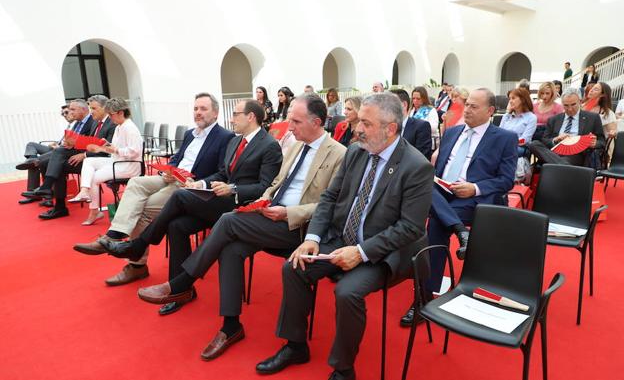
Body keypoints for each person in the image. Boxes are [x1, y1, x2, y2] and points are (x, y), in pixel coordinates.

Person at [101, 94, 346, 362]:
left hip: (298, 226)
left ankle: (181, 282)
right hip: (268, 214)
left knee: (227, 220)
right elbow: (275, 182)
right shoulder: (296, 147)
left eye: (296, 121)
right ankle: (231, 327)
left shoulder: (339, 154)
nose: (290, 127)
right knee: (230, 250)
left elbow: (330, 206)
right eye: (290, 120)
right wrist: (263, 202)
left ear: (317, 122)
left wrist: (288, 212)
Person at [256, 92, 433, 380]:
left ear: (390, 129)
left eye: (366, 122)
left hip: (382, 251)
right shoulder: (355, 151)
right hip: (341, 238)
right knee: (294, 267)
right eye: (358, 120)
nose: (357, 128)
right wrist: (312, 238)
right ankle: (296, 345)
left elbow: (410, 228)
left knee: (347, 292)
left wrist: (361, 253)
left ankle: (343, 369)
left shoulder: (416, 166)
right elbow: (329, 198)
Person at [78, 100, 282, 312]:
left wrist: (233, 188)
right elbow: (222, 173)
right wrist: (202, 184)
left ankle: (138, 246)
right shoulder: (236, 142)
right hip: (217, 198)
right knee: (176, 225)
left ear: (251, 117)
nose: (232, 118)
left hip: (239, 205)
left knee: (180, 196)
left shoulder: (268, 145)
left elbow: (265, 187)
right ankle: (180, 292)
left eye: (236, 114)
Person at [73, 93, 233, 286]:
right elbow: (176, 158)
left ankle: (137, 266)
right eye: (195, 108)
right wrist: (168, 170)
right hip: (171, 178)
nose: (198, 113)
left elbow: (223, 173)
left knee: (143, 208)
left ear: (215, 113)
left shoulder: (225, 137)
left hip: (190, 186)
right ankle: (113, 235)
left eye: (203, 109)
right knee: (135, 183)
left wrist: (199, 183)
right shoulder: (190, 133)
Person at [400, 88, 517, 327]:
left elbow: (506, 180)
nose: (467, 110)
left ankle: (423, 299)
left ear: (490, 111)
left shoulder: (505, 138)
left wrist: (474, 188)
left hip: (474, 198)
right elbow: (438, 170)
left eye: (474, 106)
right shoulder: (452, 132)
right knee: (424, 185)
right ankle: (460, 231)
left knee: (436, 223)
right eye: (467, 105)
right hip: (442, 192)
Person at [67, 98, 143, 225]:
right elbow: (116, 148)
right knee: (89, 161)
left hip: (129, 165)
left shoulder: (129, 128)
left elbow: (134, 151)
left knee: (94, 177)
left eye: (111, 114)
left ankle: (94, 211)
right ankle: (84, 191)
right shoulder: (120, 126)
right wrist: (104, 146)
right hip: (118, 161)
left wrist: (114, 149)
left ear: (120, 112)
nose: (110, 118)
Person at [18, 100, 96, 203]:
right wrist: (59, 144)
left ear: (83, 109)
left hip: (75, 154)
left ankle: (45, 187)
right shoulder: (77, 123)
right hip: (62, 150)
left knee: (51, 159)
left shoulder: (91, 122)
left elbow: (91, 143)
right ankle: (47, 193)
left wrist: (75, 149)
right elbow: (70, 140)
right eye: (64, 113)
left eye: (71, 110)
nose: (68, 113)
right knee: (36, 147)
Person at [527, 88, 605, 167]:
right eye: (566, 105)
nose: (570, 109)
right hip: (554, 151)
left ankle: (561, 165)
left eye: (573, 104)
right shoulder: (554, 119)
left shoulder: (592, 118)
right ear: (562, 104)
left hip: (576, 153)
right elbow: (545, 140)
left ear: (580, 102)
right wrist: (556, 139)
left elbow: (602, 142)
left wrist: (595, 144)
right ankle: (564, 166)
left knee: (565, 160)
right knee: (534, 144)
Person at [390, 89, 432, 159]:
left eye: (391, 104)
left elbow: (421, 158)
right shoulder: (385, 127)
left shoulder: (421, 127)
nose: (386, 109)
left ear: (404, 105)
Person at [500, 88, 537, 155]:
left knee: (500, 152)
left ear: (523, 100)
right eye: (509, 99)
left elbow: (525, 139)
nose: (510, 101)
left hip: (520, 147)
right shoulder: (506, 116)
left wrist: (508, 143)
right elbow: (499, 134)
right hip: (503, 146)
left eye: (513, 98)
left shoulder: (531, 118)